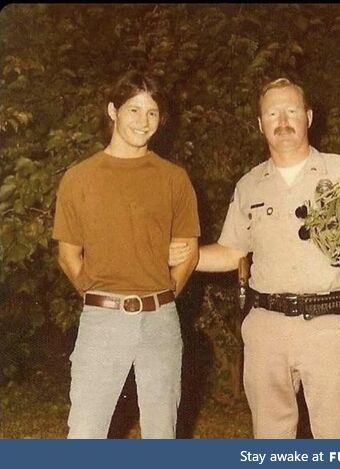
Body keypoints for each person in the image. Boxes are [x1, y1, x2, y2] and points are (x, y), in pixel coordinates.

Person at [170, 78, 340, 438]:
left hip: (330, 325)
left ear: (307, 117)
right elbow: (231, 252)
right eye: (272, 113)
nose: (283, 120)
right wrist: (185, 256)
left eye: (291, 111)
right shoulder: (249, 185)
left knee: (337, 442)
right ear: (260, 124)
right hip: (265, 329)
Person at [52, 70, 200, 439]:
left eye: (152, 112)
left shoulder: (173, 178)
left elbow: (189, 251)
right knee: (86, 431)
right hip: (102, 320)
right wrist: (97, 293)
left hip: (160, 322)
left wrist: (165, 294)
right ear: (112, 111)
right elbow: (68, 255)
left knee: (161, 433)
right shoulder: (80, 177)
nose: (143, 121)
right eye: (134, 110)